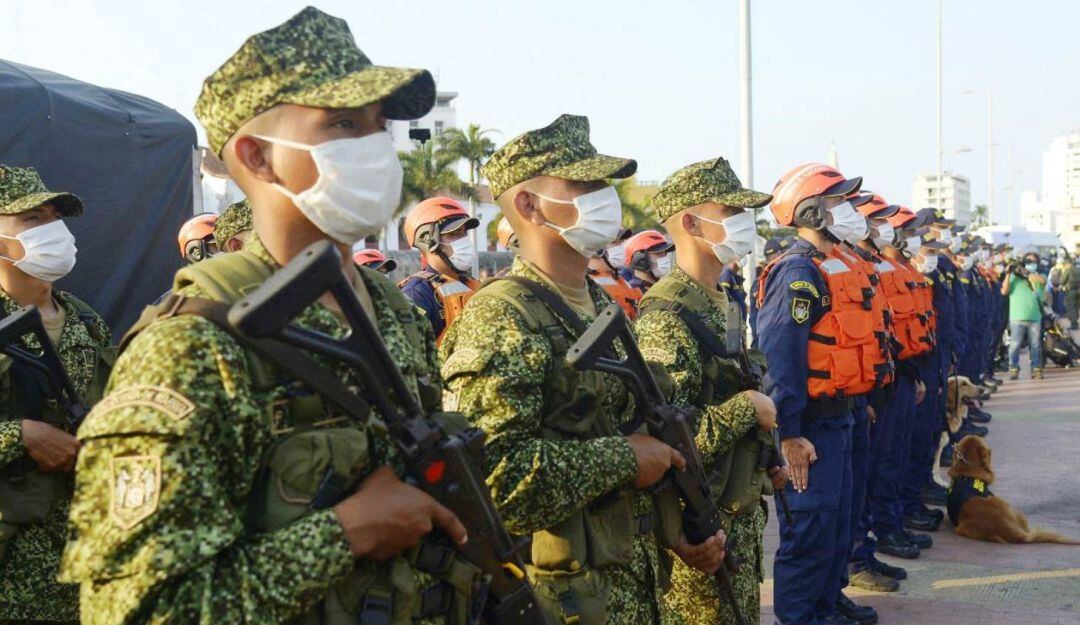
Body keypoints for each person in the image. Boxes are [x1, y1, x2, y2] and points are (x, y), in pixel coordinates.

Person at [60, 8, 485, 624]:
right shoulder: (192, 342)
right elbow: (138, 608)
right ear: (257, 157)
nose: (374, 145)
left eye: (378, 124)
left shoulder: (391, 309)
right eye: (342, 123)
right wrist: (345, 533)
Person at [440, 114, 725, 625]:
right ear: (528, 205)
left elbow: (633, 433)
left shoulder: (596, 303)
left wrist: (674, 530)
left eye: (603, 184)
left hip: (629, 584)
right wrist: (622, 459)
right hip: (559, 600)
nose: (603, 197)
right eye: (584, 184)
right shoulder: (502, 316)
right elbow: (494, 484)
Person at [634, 156, 783, 625]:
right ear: (692, 223)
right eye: (732, 214)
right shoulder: (666, 314)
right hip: (701, 526)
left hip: (737, 510)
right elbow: (671, 437)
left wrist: (768, 455)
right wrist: (747, 410)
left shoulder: (723, 300)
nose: (744, 224)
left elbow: (739, 379)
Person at [756, 163, 879, 625]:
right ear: (811, 211)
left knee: (837, 521)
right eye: (839, 202)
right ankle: (802, 614)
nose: (849, 210)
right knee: (809, 527)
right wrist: (787, 433)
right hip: (810, 427)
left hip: (839, 417)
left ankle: (827, 602)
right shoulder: (797, 273)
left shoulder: (833, 265)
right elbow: (780, 358)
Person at [0, 164, 114, 624]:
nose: (53, 230)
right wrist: (19, 435)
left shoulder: (86, 319)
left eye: (54, 217)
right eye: (32, 219)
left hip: (85, 560)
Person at [848, 200, 933, 591]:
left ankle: (878, 536)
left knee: (889, 459)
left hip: (893, 377)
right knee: (866, 475)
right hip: (864, 388)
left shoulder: (873, 268)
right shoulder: (818, 268)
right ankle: (862, 551)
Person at [399, 196, 481, 343]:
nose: (463, 239)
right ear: (426, 239)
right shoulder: (417, 293)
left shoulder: (471, 284)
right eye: (453, 233)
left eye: (463, 232)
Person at [1003, 251, 1046, 379]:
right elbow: (1004, 291)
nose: (1030, 264)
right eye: (1028, 262)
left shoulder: (1039, 276)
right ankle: (1014, 368)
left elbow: (1042, 280)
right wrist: (1008, 273)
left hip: (1035, 317)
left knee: (1035, 345)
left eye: (1033, 262)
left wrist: (1025, 272)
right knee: (1014, 345)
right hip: (1017, 317)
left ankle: (1036, 368)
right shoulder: (1014, 278)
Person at [587, 228, 641, 319]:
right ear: (597, 249)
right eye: (615, 243)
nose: (621, 247)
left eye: (621, 242)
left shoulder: (615, 277)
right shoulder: (591, 286)